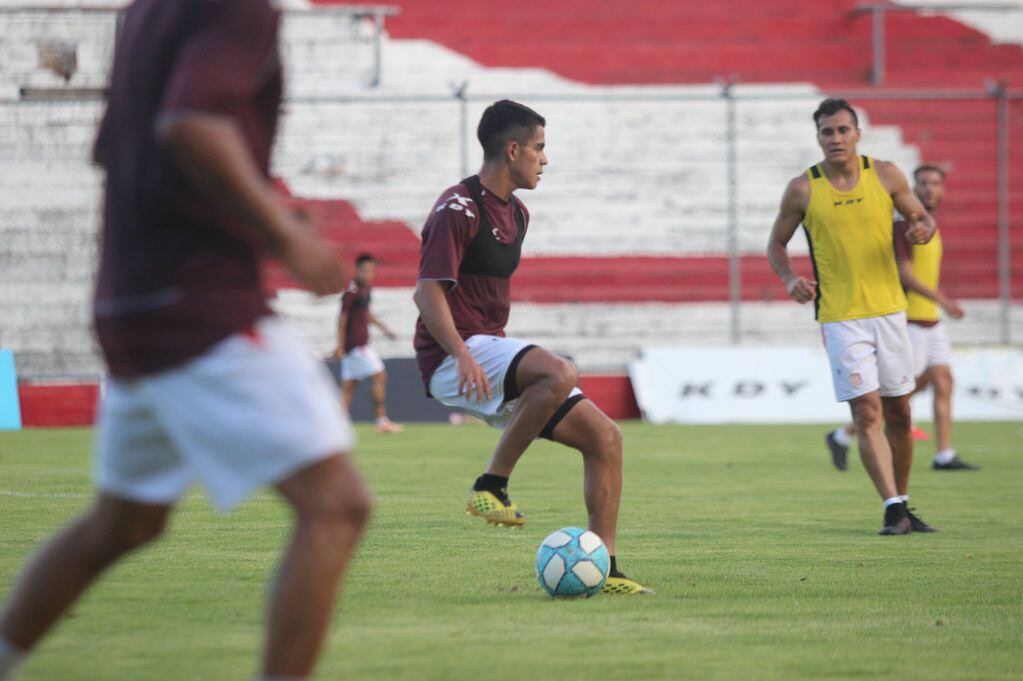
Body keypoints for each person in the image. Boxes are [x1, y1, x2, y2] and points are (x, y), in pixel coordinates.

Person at [0, 2, 371, 680]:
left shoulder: (147, 10)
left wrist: (259, 211)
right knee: (338, 505)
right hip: (198, 304)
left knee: (125, 523)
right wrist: (285, 237)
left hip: (131, 297)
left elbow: (119, 147)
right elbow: (191, 125)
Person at [412, 100, 650, 594]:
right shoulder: (457, 207)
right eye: (540, 148)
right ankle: (491, 485)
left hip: (486, 352)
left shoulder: (518, 213)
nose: (545, 160)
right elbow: (426, 290)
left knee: (606, 439)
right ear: (513, 148)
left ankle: (605, 567)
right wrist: (461, 353)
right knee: (559, 370)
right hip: (451, 356)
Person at [767, 98, 938, 536]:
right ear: (818, 137)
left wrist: (922, 228)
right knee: (866, 413)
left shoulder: (885, 174)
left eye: (843, 130)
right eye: (827, 132)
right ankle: (892, 506)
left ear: (857, 133)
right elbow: (776, 244)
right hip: (841, 317)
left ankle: (901, 503)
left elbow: (921, 220)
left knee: (900, 412)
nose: (836, 139)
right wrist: (789, 279)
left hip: (890, 312)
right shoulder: (803, 189)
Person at [824, 165, 979, 472]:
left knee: (944, 381)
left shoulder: (929, 226)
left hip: (930, 321)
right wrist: (944, 300)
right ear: (912, 188)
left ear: (943, 189)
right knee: (898, 396)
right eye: (922, 183)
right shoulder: (904, 226)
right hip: (908, 321)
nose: (929, 189)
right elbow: (905, 274)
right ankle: (842, 436)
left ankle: (944, 454)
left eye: (935, 183)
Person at [334, 253, 403, 433]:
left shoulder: (365, 289)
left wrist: (384, 329)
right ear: (357, 270)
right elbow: (343, 317)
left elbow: (365, 313)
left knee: (349, 385)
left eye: (372, 270)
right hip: (356, 345)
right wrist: (340, 344)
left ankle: (338, 424)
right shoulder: (352, 291)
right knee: (379, 375)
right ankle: (381, 420)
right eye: (365, 270)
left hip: (356, 345)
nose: (369, 274)